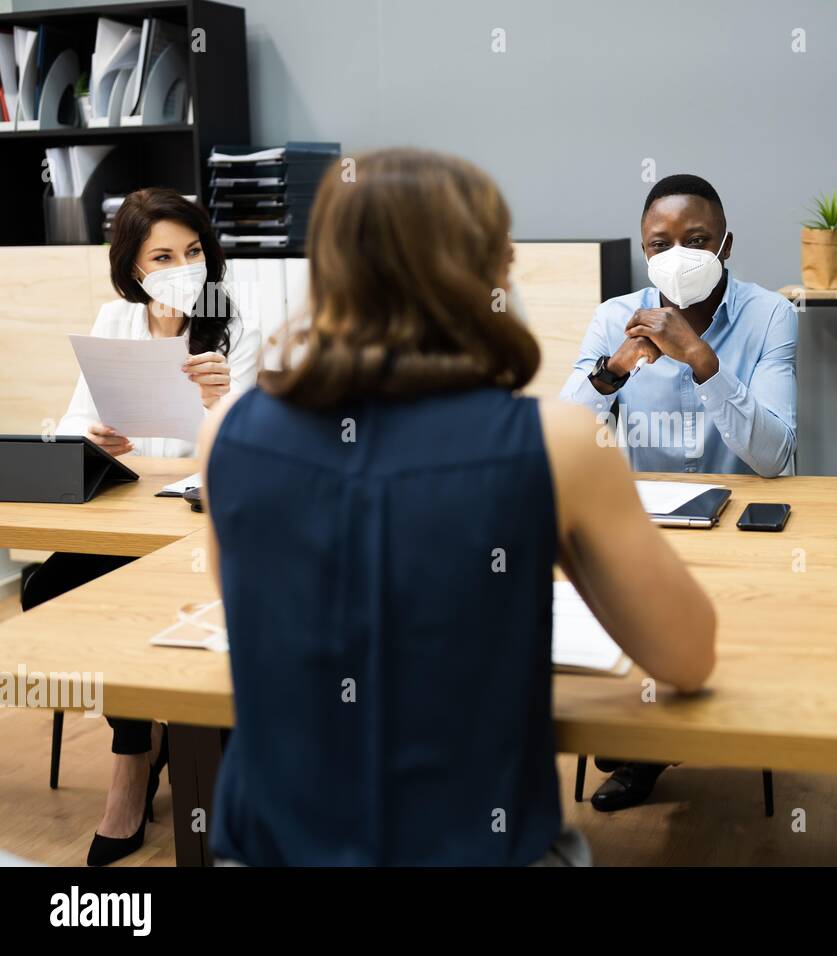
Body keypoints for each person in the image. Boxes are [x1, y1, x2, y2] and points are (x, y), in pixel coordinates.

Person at [196, 148, 716, 866]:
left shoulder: (227, 431)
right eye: (503, 260)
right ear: (483, 275)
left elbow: (257, 612)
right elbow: (686, 658)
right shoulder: (560, 443)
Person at [21, 187, 260, 867]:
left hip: (203, 530)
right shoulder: (114, 320)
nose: (183, 266)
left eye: (193, 251)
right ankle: (139, 737)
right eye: (164, 255)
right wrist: (94, 435)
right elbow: (72, 427)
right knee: (48, 593)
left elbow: (251, 450)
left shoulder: (233, 329)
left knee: (151, 611)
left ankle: (135, 760)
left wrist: (222, 400)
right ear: (133, 267)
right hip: (128, 520)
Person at [559, 173, 797, 810]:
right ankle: (645, 736)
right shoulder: (615, 316)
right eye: (659, 243)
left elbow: (774, 457)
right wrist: (611, 371)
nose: (677, 255)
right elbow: (564, 435)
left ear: (725, 244)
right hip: (644, 525)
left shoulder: (771, 314)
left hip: (743, 526)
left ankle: (652, 742)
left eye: (696, 239)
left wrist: (702, 360)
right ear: (643, 251)